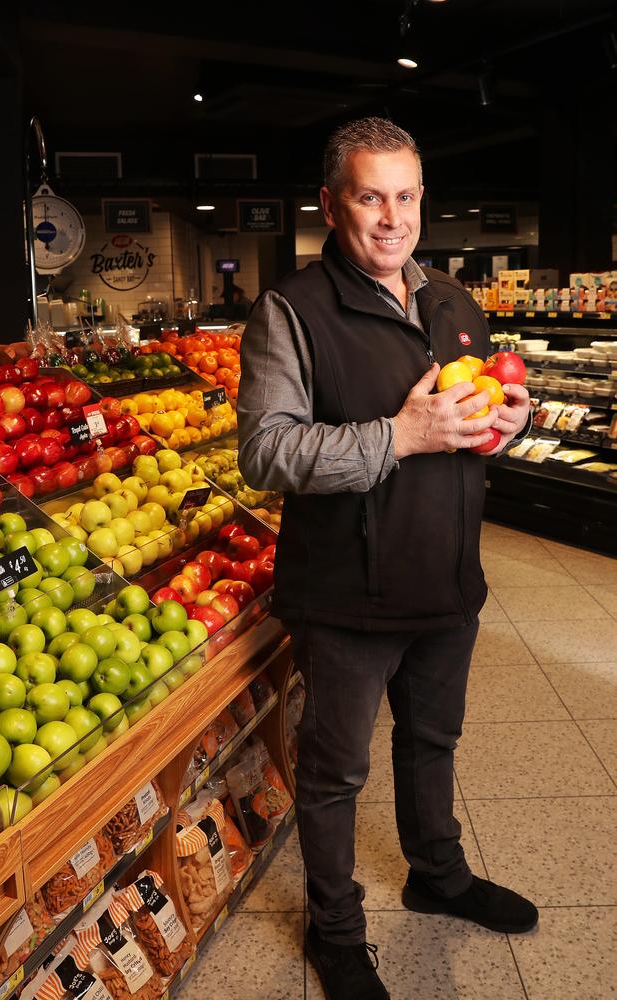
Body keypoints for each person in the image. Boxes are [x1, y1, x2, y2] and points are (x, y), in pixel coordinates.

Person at [237, 117, 535, 1000]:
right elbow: (266, 454)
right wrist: (397, 437)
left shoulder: (453, 300)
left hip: (447, 580)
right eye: (371, 196)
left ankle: (436, 875)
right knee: (335, 775)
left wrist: (503, 428)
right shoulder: (290, 310)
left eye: (407, 196)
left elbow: (476, 416)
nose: (393, 217)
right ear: (331, 205)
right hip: (345, 596)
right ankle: (335, 929)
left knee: (434, 742)